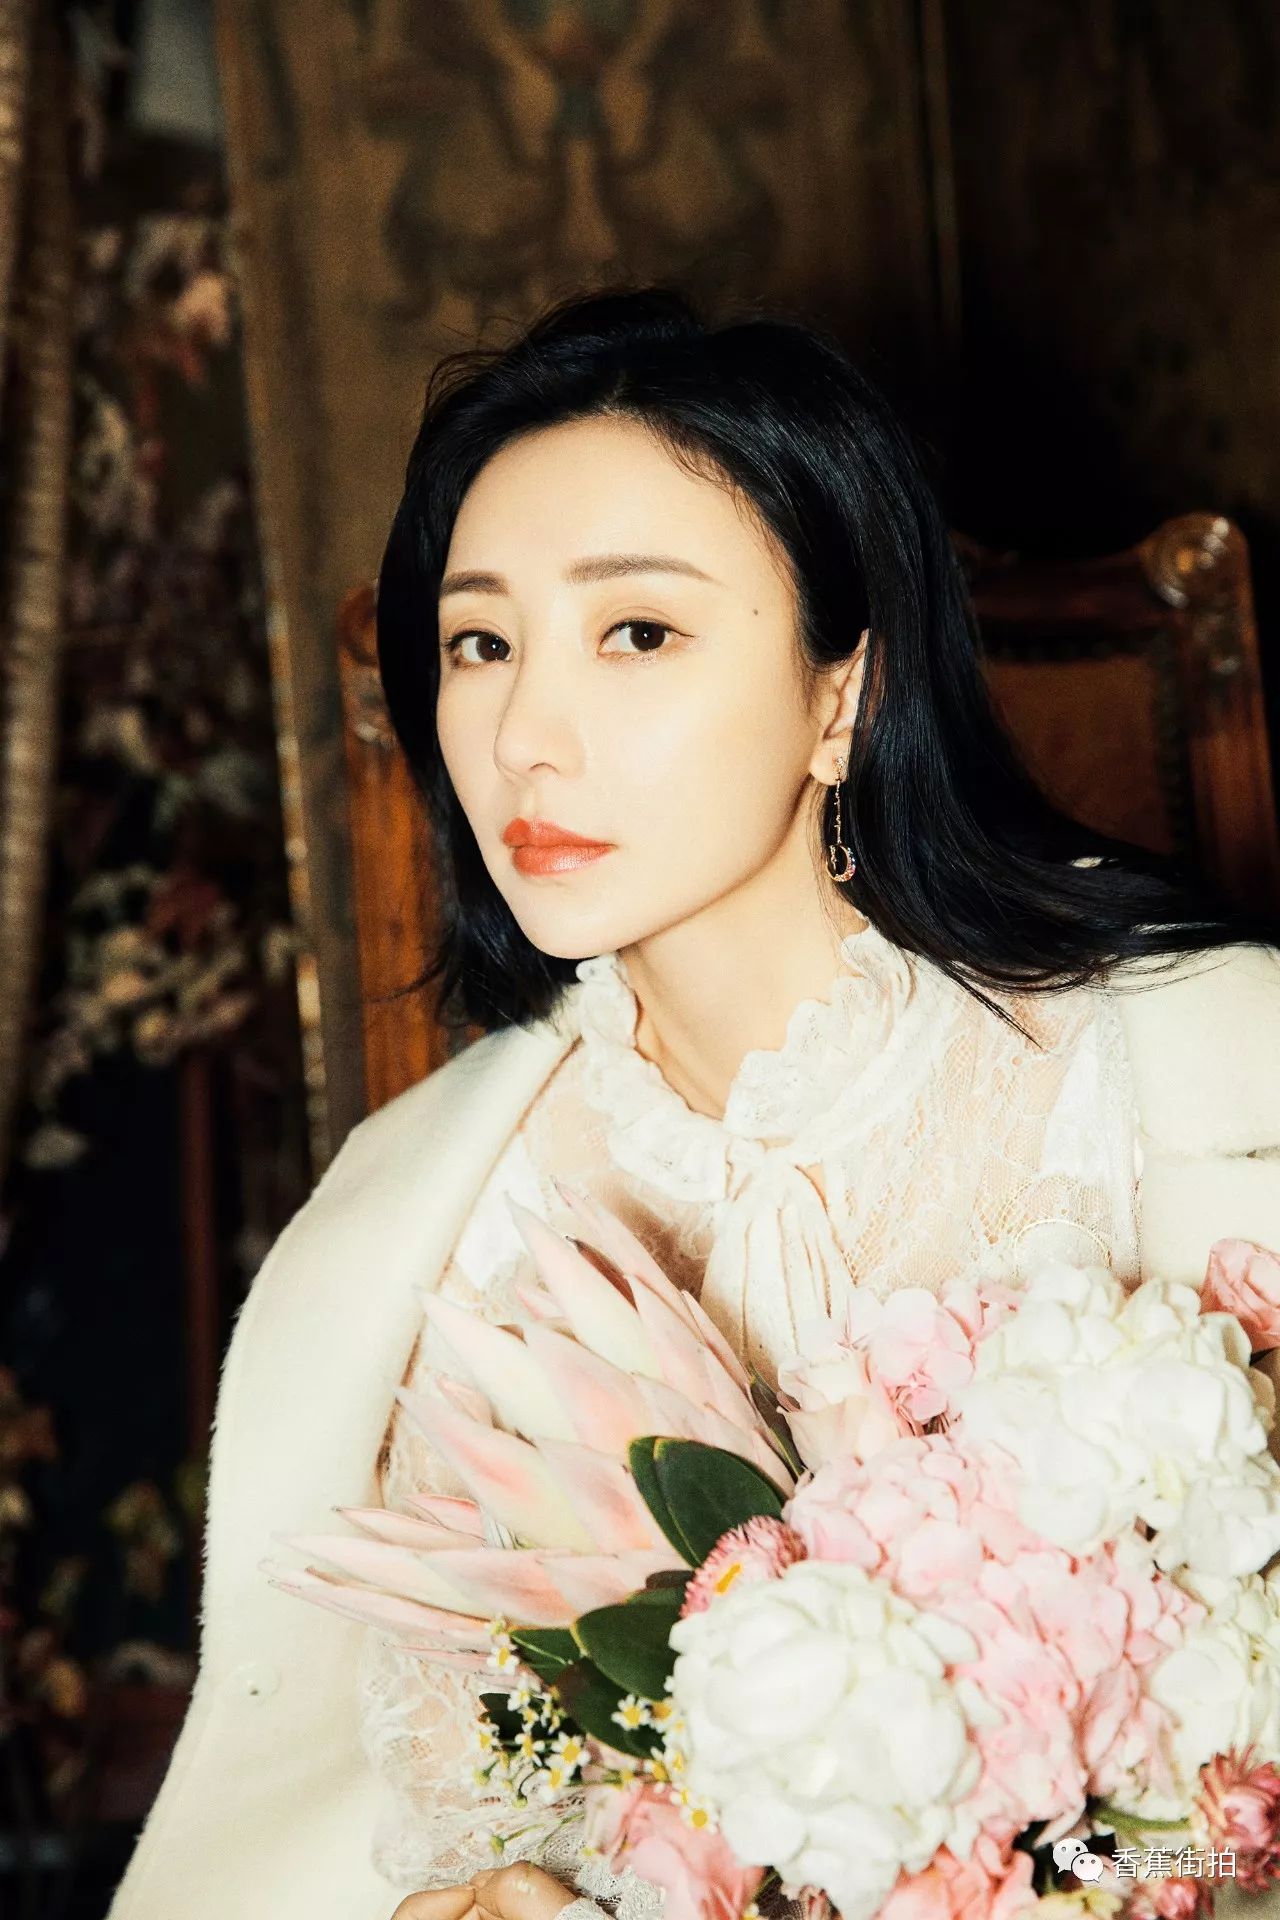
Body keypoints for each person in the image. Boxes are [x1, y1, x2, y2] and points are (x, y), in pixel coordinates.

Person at [105, 285, 1280, 1920]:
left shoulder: (1193, 1071)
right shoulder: (443, 1214)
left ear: (843, 694)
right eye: (480, 644)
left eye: (637, 633)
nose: (525, 735)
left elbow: (1225, 1821)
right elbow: (411, 1811)